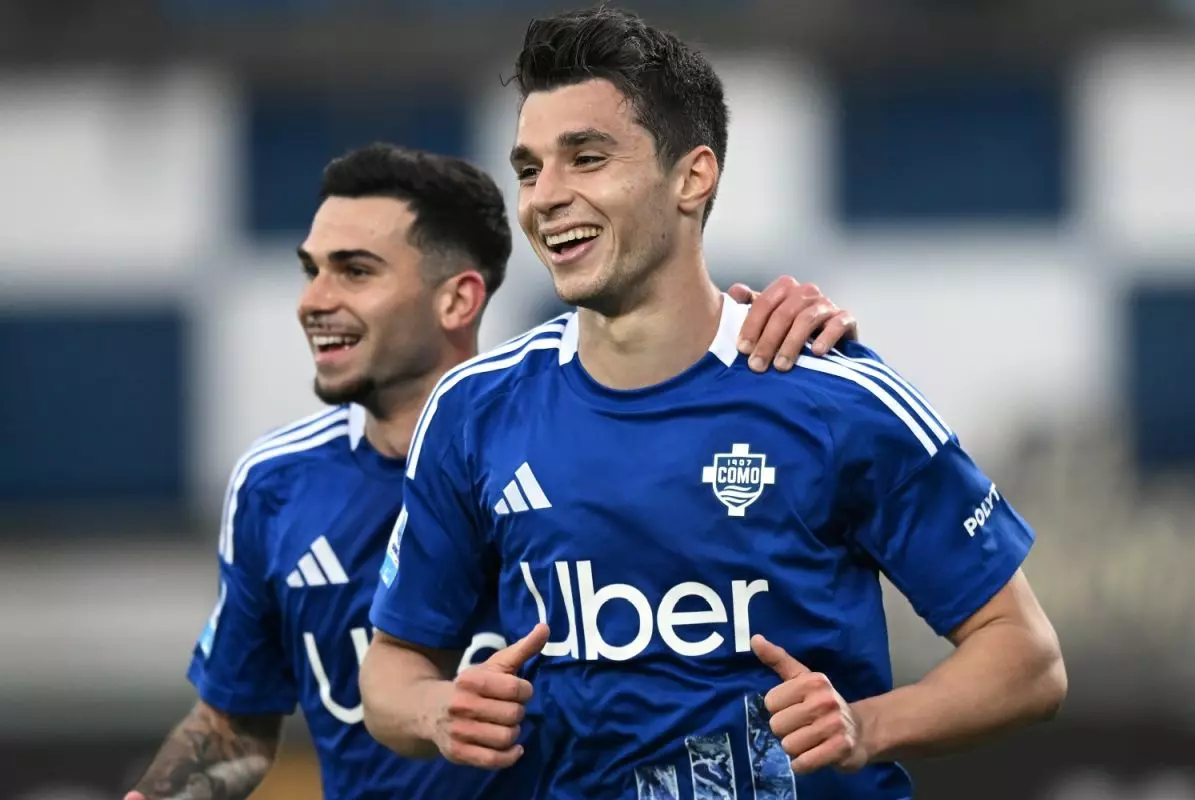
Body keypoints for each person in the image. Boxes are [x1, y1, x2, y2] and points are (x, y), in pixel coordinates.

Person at [360, 8, 1068, 800]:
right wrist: (436, 711)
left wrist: (867, 726)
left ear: (692, 177)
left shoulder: (833, 395)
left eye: (586, 158)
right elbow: (393, 668)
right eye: (529, 170)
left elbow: (1026, 656)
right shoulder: (474, 411)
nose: (545, 198)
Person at [123, 140, 859, 800]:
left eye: (354, 271)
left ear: (457, 298)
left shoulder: (585, 452)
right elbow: (235, 726)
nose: (314, 301)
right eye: (311, 271)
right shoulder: (274, 486)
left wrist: (774, 341)